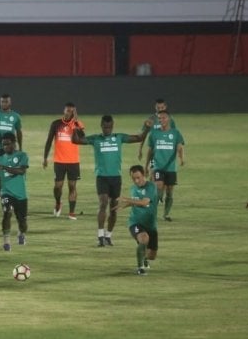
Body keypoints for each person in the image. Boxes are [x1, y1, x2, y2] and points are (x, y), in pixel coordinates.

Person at [78, 115, 151, 247]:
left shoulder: (119, 137)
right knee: (103, 203)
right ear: (101, 126)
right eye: (105, 127)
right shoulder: (95, 139)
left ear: (113, 126)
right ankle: (100, 235)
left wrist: (146, 128)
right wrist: (74, 126)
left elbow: (139, 138)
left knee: (113, 208)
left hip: (115, 178)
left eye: (110, 127)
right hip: (102, 178)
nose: (107, 130)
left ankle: (108, 236)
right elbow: (76, 140)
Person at [43, 102, 85, 220]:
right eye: (67, 110)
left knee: (72, 186)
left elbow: (82, 138)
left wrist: (76, 124)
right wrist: (45, 158)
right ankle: (58, 202)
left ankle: (71, 212)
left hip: (73, 161)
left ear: (74, 112)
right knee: (58, 186)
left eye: (71, 111)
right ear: (64, 110)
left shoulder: (78, 124)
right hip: (59, 161)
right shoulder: (56, 124)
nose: (69, 113)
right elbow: (49, 141)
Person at [114, 165, 159, 275]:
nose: (136, 180)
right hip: (135, 222)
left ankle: (144, 258)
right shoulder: (133, 188)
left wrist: (126, 199)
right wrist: (124, 205)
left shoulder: (151, 187)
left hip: (150, 224)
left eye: (138, 177)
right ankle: (140, 268)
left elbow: (144, 202)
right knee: (144, 238)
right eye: (133, 178)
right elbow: (135, 201)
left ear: (144, 175)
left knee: (152, 255)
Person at [0, 133, 29, 251]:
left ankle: (21, 233)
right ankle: (6, 241)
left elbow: (21, 171)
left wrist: (4, 168)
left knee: (23, 223)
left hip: (21, 195)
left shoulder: (22, 155)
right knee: (7, 212)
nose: (5, 146)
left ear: (14, 143)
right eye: (3, 144)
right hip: (6, 193)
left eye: (8, 144)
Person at [145, 110, 185, 222]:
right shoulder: (154, 134)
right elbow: (150, 151)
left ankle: (166, 214)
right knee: (158, 188)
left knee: (170, 192)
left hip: (171, 168)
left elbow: (179, 146)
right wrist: (146, 166)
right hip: (158, 166)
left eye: (163, 118)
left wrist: (181, 158)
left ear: (169, 119)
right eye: (159, 118)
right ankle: (152, 213)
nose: (161, 120)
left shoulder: (175, 133)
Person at [0, 94, 23, 198]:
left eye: (6, 101)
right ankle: (0, 184)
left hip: (11, 149)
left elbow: (19, 132)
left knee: (10, 170)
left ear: (10, 102)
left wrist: (20, 148)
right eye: (2, 101)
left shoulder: (16, 116)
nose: (4, 103)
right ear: (0, 102)